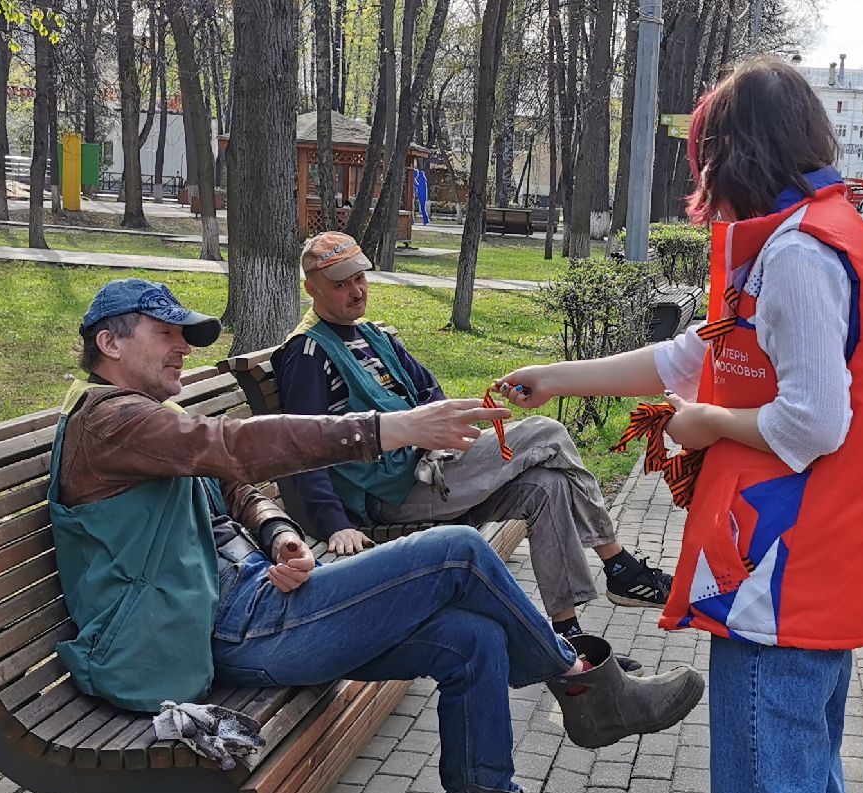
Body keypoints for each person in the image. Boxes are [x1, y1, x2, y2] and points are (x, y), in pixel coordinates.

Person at [495, 56, 863, 793]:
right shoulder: (790, 245)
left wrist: (698, 426)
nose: (701, 172)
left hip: (787, 574)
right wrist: (560, 377)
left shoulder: (804, 257)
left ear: (736, 152)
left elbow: (811, 422)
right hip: (785, 567)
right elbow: (691, 356)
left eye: (708, 152)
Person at [52, 277, 706, 793]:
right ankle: (584, 685)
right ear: (110, 344)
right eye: (165, 333)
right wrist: (390, 430)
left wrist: (278, 532)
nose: (182, 347)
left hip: (257, 600)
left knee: (471, 640)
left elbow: (231, 483)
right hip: (234, 627)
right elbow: (231, 444)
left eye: (185, 334)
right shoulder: (109, 423)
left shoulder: (144, 419)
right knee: (459, 553)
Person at [269, 231, 676, 669]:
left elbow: (432, 396)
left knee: (548, 485)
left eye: (359, 278)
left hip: (436, 465)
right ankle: (619, 566)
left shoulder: (374, 336)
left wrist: (476, 410)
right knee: (547, 431)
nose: (356, 291)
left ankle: (567, 632)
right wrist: (334, 524)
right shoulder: (308, 353)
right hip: (395, 492)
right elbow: (303, 448)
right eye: (340, 284)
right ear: (310, 286)